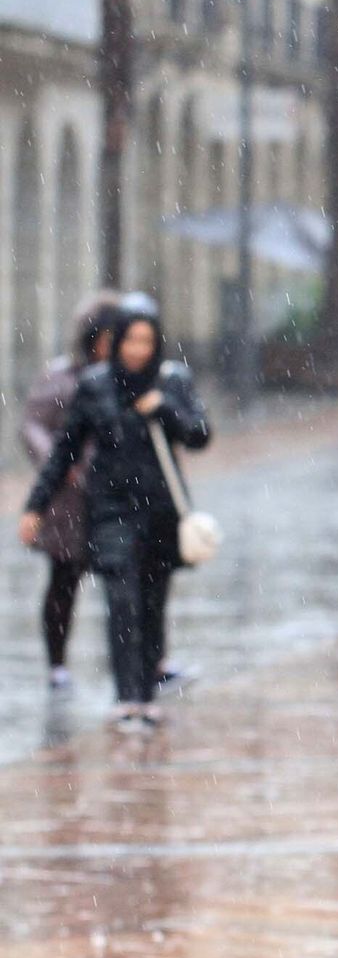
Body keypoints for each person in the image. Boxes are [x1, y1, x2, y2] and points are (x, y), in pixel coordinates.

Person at [18, 307, 211, 732]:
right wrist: (35, 506)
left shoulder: (171, 382)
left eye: (146, 342)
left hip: (161, 511)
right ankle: (126, 699)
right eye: (130, 341)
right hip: (111, 509)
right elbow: (65, 450)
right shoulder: (95, 386)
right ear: (117, 342)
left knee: (152, 603)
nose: (138, 351)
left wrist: (163, 409)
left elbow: (199, 434)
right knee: (120, 598)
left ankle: (145, 695)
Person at [19, 292, 123, 690]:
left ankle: (141, 663)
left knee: (131, 580)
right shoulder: (62, 377)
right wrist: (61, 466)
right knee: (64, 579)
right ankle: (57, 663)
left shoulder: (127, 378)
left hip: (116, 493)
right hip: (71, 500)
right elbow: (33, 425)